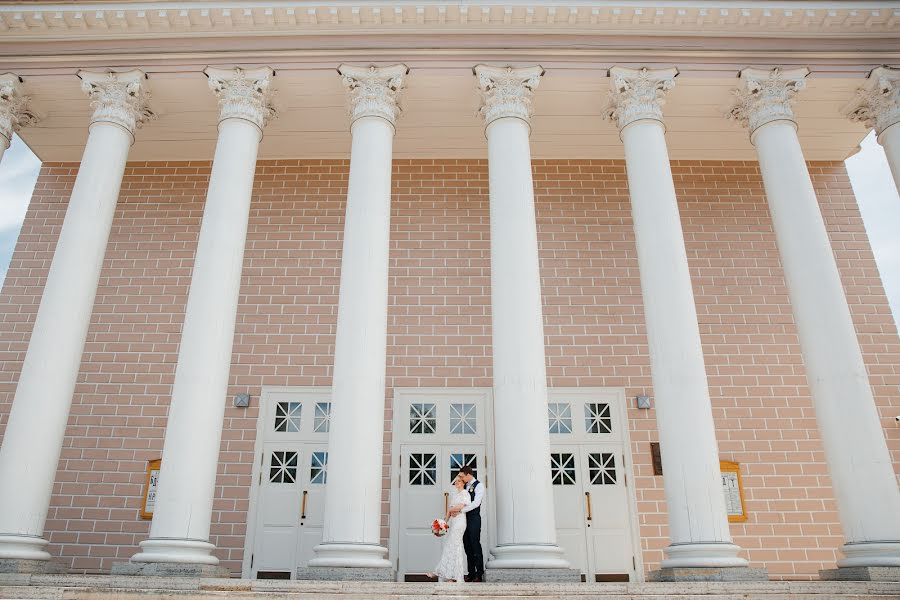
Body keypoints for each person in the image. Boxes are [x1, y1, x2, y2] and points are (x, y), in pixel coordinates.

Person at [427, 474, 470, 582]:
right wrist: (443, 523)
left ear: (463, 483)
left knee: (452, 546)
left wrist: (453, 510)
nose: (456, 483)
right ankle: (452, 576)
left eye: (459, 481)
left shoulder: (465, 494)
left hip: (460, 522)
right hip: (454, 522)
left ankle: (441, 572)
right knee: (453, 547)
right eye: (456, 481)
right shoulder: (455, 495)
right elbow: (449, 510)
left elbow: (463, 506)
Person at [451, 465, 485, 582]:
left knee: (475, 544)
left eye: (462, 476)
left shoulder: (479, 486)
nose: (460, 478)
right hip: (463, 519)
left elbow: (476, 503)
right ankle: (470, 573)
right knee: (467, 545)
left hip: (474, 519)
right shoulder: (464, 486)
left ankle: (479, 573)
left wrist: (460, 510)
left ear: (468, 475)